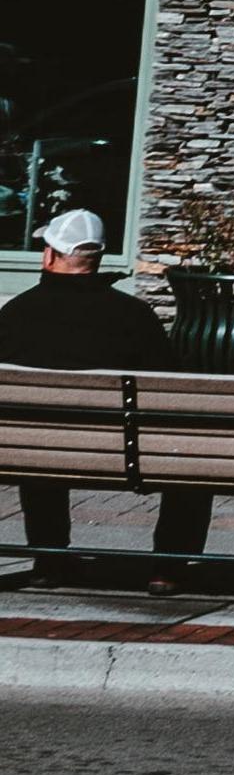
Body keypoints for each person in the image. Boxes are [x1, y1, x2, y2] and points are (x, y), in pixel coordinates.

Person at [0, 213, 207, 583]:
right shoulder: (134, 315)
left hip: (29, 452)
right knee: (193, 463)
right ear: (98, 259)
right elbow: (167, 389)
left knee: (38, 442)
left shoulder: (13, 316)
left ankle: (50, 559)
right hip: (122, 456)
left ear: (49, 256)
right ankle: (168, 568)